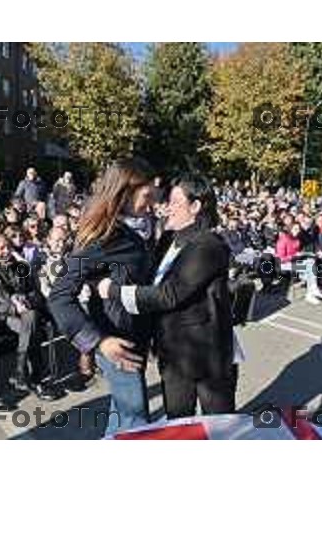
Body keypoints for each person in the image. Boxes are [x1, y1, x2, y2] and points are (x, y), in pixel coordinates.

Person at [98, 174, 238, 420]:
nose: (166, 207)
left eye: (174, 201)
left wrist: (114, 291)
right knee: (178, 425)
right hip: (174, 354)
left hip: (207, 356)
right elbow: (152, 280)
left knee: (219, 427)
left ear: (195, 207)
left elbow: (169, 294)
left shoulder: (208, 244)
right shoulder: (169, 238)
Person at [48, 158, 156, 436]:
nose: (152, 201)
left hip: (134, 337)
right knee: (136, 425)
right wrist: (98, 341)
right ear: (125, 192)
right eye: (147, 195)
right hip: (117, 341)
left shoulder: (129, 231)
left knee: (122, 418)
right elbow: (60, 296)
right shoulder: (101, 238)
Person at [0, 234, 60, 401]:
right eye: (1, 248)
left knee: (31, 321)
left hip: (27, 314)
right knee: (32, 327)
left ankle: (20, 372)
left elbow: (34, 291)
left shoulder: (19, 265)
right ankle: (35, 380)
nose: (7, 251)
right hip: (3, 317)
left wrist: (26, 300)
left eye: (8, 246)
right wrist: (12, 307)